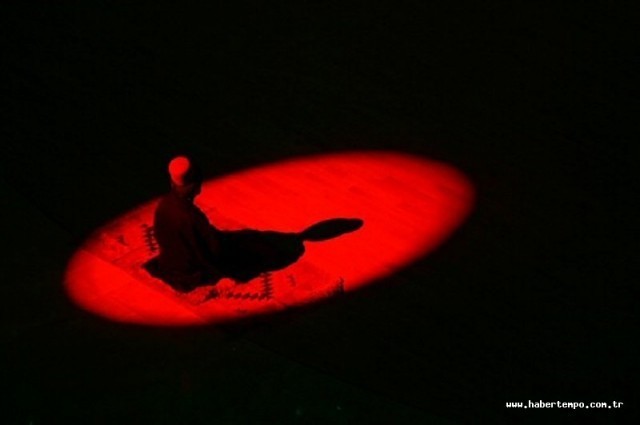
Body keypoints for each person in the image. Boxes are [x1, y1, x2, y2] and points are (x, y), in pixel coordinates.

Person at [150, 156, 223, 292]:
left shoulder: (163, 205)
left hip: (167, 264)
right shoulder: (193, 217)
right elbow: (213, 249)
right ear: (195, 186)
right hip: (189, 271)